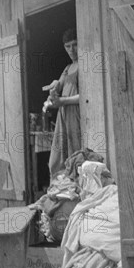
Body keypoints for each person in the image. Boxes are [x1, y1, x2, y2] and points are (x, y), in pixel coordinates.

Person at [42, 28, 82, 179]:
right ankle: (60, 193)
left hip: (76, 115)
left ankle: (75, 193)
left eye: (75, 44)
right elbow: (58, 85)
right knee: (56, 158)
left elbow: (87, 96)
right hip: (63, 115)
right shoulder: (68, 68)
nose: (72, 50)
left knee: (76, 155)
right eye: (68, 46)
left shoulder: (84, 65)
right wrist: (54, 90)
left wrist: (62, 101)